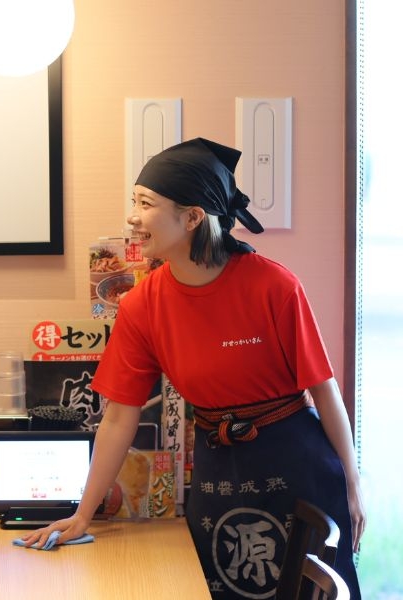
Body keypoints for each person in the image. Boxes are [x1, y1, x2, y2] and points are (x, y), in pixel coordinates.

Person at [21, 138, 365, 598]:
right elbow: (120, 417)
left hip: (299, 468)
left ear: (192, 217)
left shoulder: (274, 286)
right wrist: (84, 514)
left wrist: (354, 483)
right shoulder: (142, 304)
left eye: (145, 204)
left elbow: (324, 392)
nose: (132, 217)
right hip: (218, 465)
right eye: (134, 202)